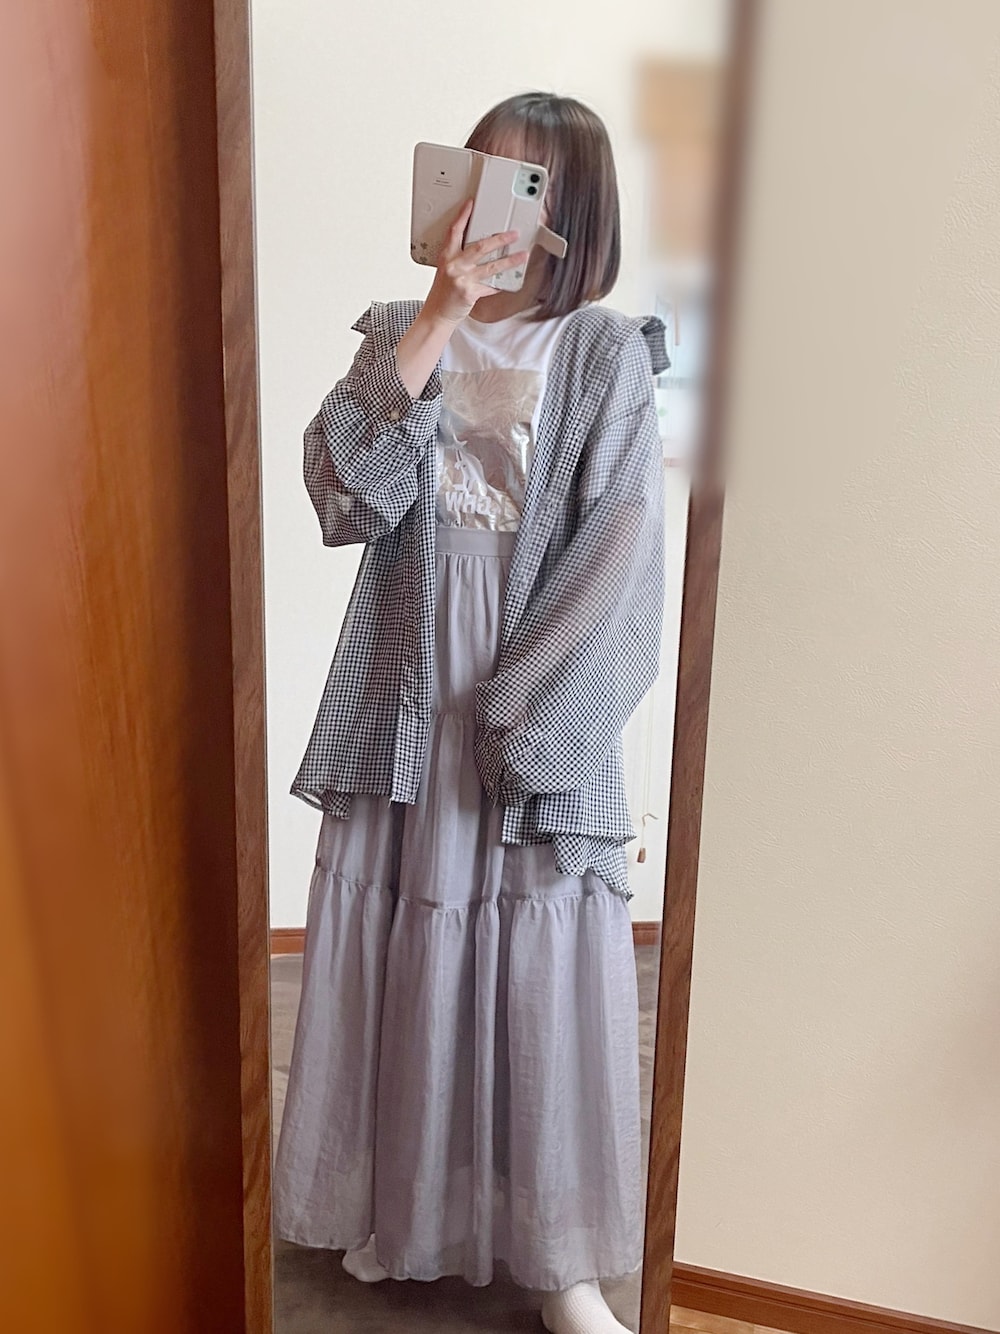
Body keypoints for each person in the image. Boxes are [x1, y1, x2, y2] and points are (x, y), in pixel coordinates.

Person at [273, 92, 668, 1334]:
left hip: (531, 670)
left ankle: (559, 1263)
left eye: (526, 179)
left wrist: (529, 709)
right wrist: (440, 313)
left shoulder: (601, 349)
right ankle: (399, 1210)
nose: (493, 195)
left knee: (539, 944)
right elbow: (344, 494)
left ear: (570, 210)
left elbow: (618, 544)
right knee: (407, 933)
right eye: (481, 167)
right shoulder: (401, 330)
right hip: (403, 677)